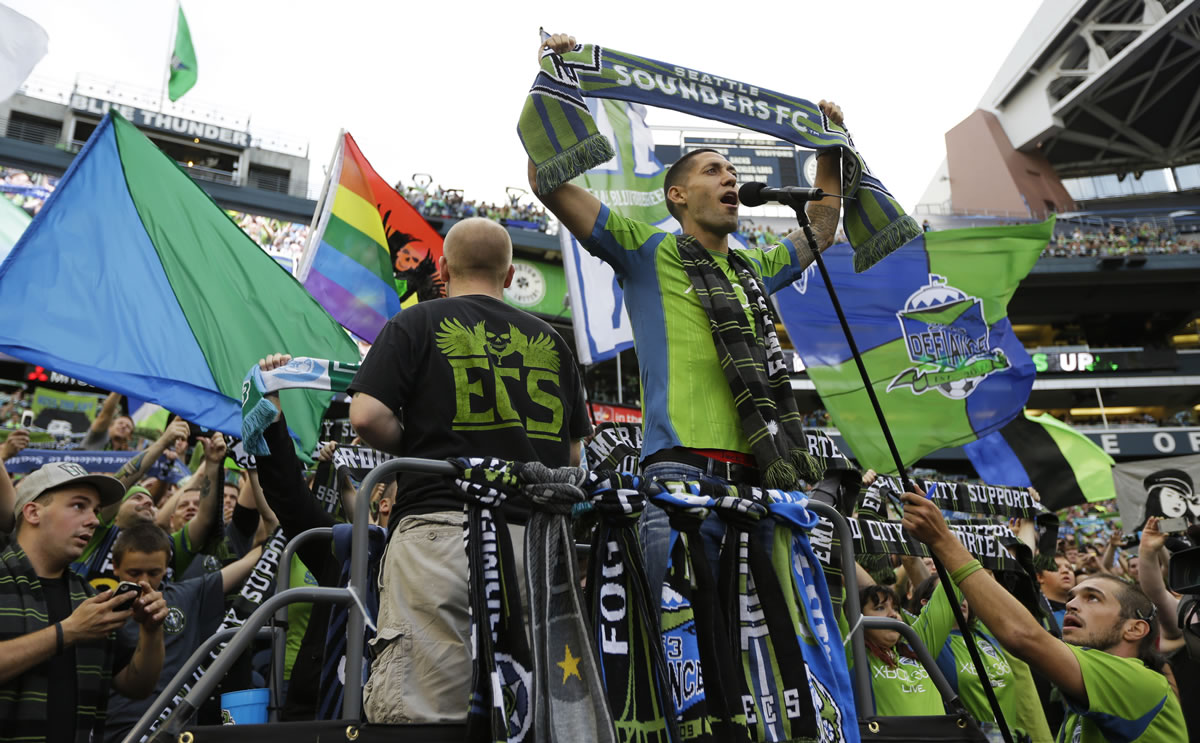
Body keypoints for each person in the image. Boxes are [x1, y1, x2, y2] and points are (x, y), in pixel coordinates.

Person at [347, 216, 591, 724]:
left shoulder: (415, 323)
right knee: (528, 713)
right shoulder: (553, 340)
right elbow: (571, 459)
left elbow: (366, 416)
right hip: (536, 543)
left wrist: (417, 443)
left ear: (442, 267)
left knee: (425, 710)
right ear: (507, 276)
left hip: (441, 530)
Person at [902, 488, 1186, 741]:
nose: (1073, 604)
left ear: (1135, 629)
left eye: (1093, 599)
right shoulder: (1080, 712)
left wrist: (943, 540)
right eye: (1074, 596)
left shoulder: (1141, 682)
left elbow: (1024, 636)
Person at [0, 462, 167, 743]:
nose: (93, 520)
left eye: (96, 511)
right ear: (32, 512)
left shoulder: (90, 598)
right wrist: (68, 632)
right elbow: (69, 631)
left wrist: (151, 632)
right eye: (79, 506)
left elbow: (137, 686)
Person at [101, 522, 264, 742]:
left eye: (154, 572)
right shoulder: (98, 610)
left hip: (176, 730)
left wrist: (281, 533)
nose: (144, 582)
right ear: (115, 567)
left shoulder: (186, 595)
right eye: (134, 572)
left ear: (167, 566)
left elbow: (252, 561)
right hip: (117, 731)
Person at [1036, 552, 1074, 630]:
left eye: (1069, 568)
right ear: (1039, 577)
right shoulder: (1033, 611)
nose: (1065, 571)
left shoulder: (1083, 609)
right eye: (1055, 567)